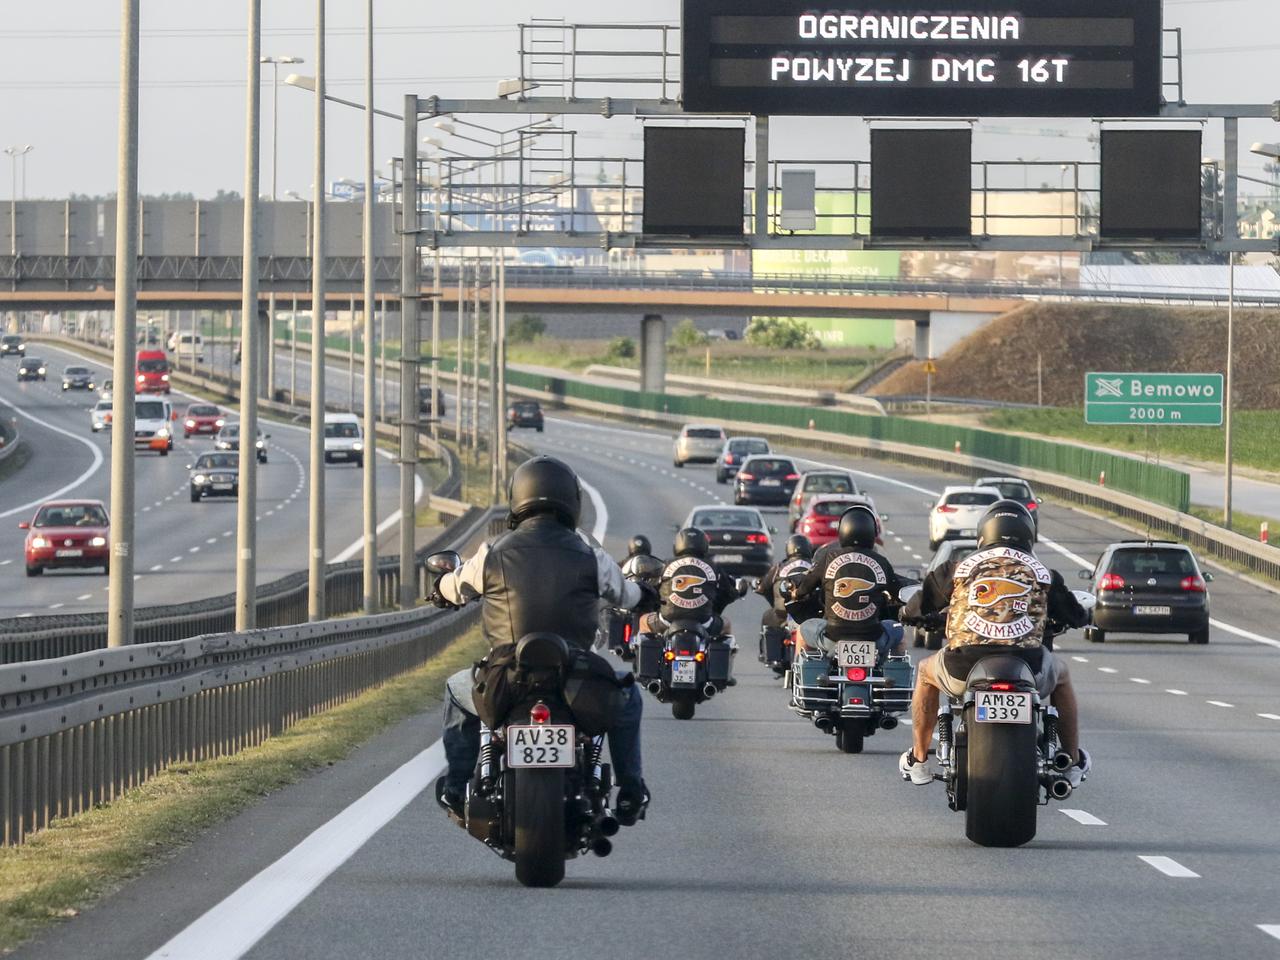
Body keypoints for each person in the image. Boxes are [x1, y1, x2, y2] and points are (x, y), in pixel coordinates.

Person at [430, 456, 652, 825]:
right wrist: (646, 594)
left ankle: (455, 787)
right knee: (628, 697)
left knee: (456, 691)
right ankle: (630, 790)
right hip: (577, 676)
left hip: (504, 678)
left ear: (517, 498)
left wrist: (440, 588)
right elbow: (628, 596)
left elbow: (451, 589)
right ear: (572, 501)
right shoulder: (592, 556)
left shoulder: (491, 553)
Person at [899, 499, 1091, 788]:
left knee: (926, 672)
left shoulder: (958, 569)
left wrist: (906, 613)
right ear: (1029, 536)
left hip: (964, 665)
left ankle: (919, 759)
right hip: (1028, 666)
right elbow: (1074, 614)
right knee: (1061, 676)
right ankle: (1072, 761)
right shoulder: (1043, 573)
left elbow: (918, 606)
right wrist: (1082, 617)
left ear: (983, 534)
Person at [790, 504, 908, 658]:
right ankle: (896, 671)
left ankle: (805, 672)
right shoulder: (881, 561)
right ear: (872, 532)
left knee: (801, 631)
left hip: (832, 637)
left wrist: (796, 592)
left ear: (843, 530)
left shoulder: (828, 559)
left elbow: (804, 588)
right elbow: (899, 591)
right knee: (899, 631)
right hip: (874, 638)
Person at [642, 527, 742, 638]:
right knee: (726, 624)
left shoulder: (665, 564)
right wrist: (736, 593)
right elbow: (728, 592)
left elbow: (651, 588)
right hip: (704, 620)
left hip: (667, 620)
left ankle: (640, 649)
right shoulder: (713, 567)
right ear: (704, 545)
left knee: (643, 621)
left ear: (678, 544)